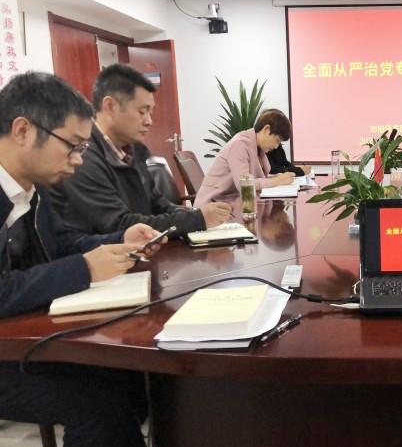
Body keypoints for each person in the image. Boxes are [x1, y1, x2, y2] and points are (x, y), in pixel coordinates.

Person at [0, 72, 167, 446]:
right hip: (8, 350)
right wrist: (86, 267)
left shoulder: (34, 189)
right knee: (99, 407)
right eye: (72, 146)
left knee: (130, 374)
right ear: (23, 130)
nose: (77, 160)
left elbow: (62, 243)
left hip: (24, 334)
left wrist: (119, 240)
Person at [49, 63, 231, 237]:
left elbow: (156, 202)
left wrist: (194, 215)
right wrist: (197, 219)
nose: (149, 121)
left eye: (150, 112)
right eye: (142, 111)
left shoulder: (133, 150)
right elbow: (119, 224)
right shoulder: (83, 157)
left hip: (141, 250)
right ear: (110, 106)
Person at [194, 109, 296, 207]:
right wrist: (275, 182)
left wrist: (274, 178)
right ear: (266, 129)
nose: (276, 146)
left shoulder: (257, 147)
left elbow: (253, 178)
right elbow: (244, 184)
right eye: (277, 140)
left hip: (233, 204)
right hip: (212, 207)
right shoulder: (239, 144)